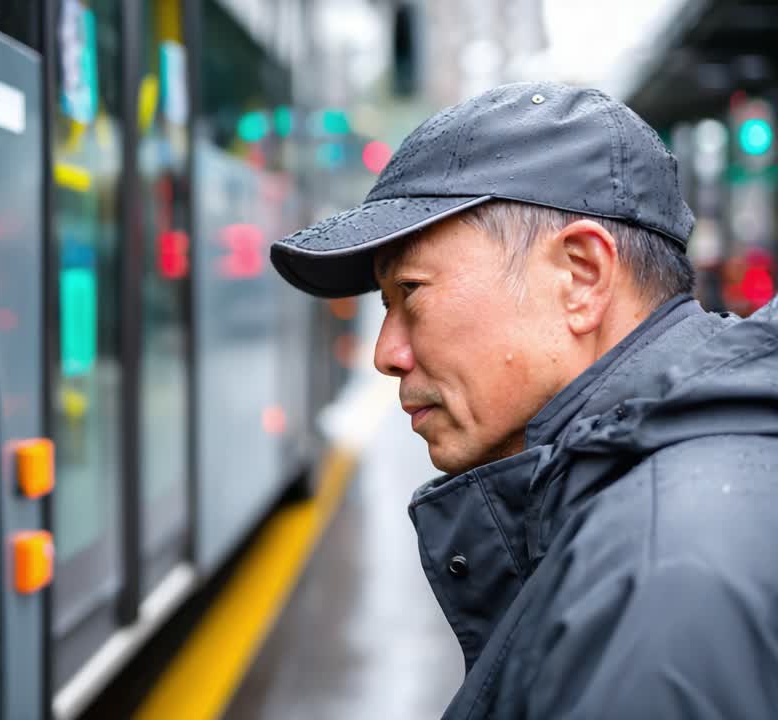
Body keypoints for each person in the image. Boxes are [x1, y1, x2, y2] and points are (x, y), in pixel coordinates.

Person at [271, 81, 778, 719]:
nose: (386, 353)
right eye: (384, 306)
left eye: (412, 291)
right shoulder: (665, 504)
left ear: (581, 277)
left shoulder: (660, 584)